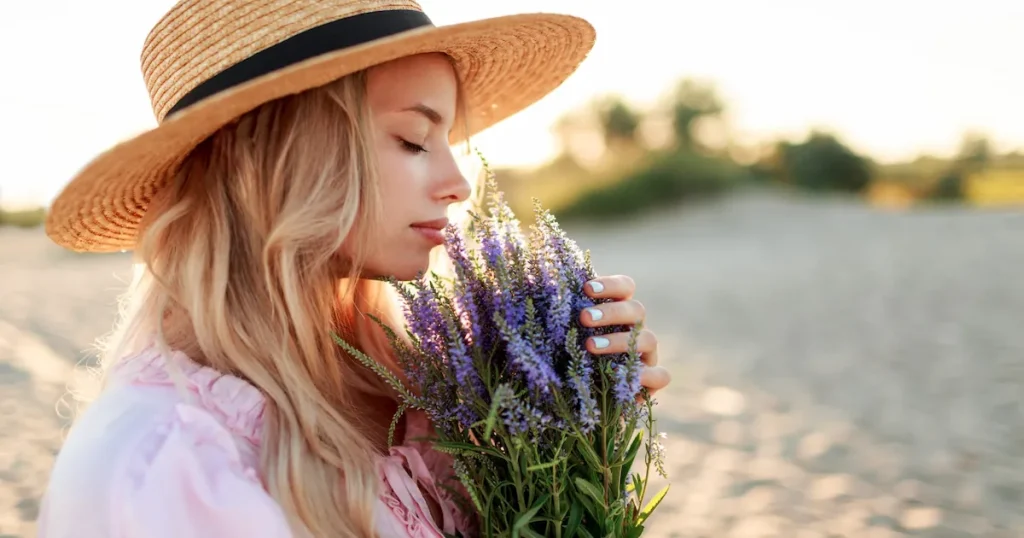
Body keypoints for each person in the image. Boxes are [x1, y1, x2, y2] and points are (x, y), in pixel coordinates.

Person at [38, 1, 672, 536]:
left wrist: (573, 423)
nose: (458, 184)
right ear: (269, 162)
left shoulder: (421, 394)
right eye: (413, 140)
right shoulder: (165, 467)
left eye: (450, 142)